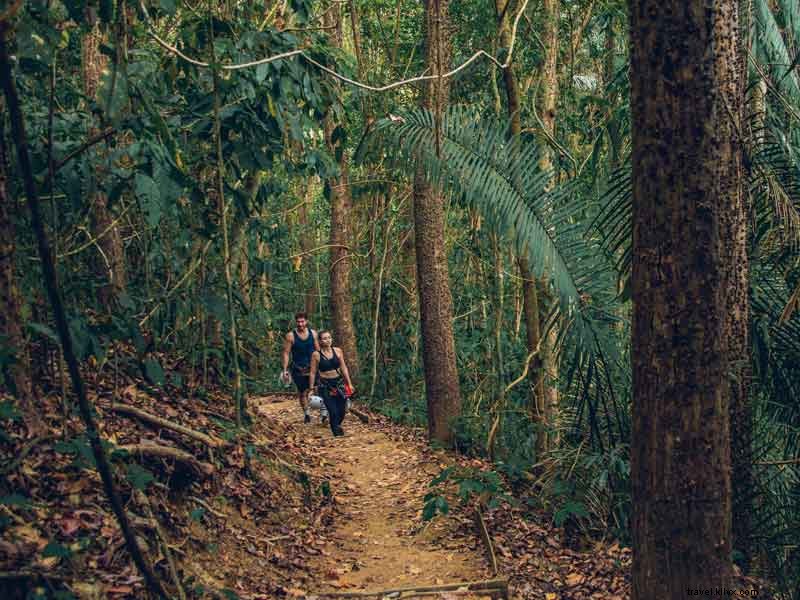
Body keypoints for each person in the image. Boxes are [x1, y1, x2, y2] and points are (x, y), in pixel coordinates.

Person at [309, 331, 354, 437]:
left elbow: (343, 367)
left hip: (339, 383)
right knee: (332, 410)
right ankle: (337, 433)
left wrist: (349, 383)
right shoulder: (316, 355)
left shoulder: (338, 351)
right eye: (324, 338)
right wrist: (311, 388)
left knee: (342, 410)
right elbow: (312, 372)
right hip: (325, 385)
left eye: (329, 338)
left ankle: (336, 425)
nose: (328, 340)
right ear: (320, 341)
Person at [281, 312, 320, 423]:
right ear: (295, 322)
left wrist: (324, 363)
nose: (300, 324)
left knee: (318, 390)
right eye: (298, 322)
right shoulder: (291, 336)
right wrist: (285, 369)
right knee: (302, 392)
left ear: (306, 321)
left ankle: (323, 413)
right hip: (298, 368)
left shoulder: (313, 334)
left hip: (313, 367)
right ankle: (307, 414)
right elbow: (286, 353)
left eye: (302, 321)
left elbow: (318, 350)